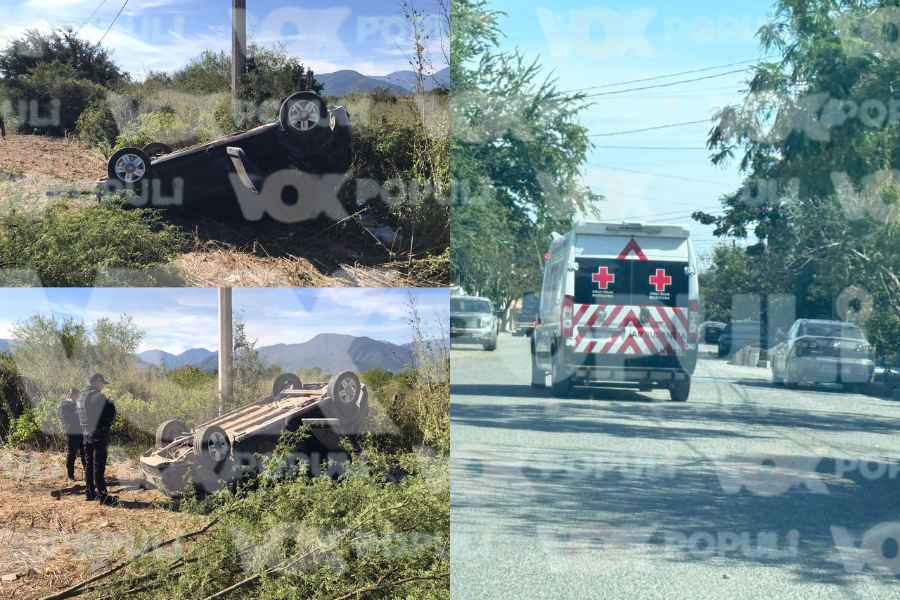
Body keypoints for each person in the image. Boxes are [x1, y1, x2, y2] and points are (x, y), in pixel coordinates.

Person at [76, 373, 118, 505]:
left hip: (86, 435)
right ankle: (103, 496)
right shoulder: (99, 396)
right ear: (96, 381)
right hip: (99, 435)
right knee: (99, 466)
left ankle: (89, 493)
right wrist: (110, 403)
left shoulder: (81, 397)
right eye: (102, 383)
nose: (103, 386)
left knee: (89, 465)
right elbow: (110, 415)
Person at [58, 388, 86, 481]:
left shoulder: (78, 404)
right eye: (78, 395)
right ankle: (70, 476)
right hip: (72, 432)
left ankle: (88, 474)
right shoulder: (64, 404)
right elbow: (64, 418)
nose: (79, 397)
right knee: (72, 454)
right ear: (72, 394)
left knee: (85, 453)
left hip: (82, 432)